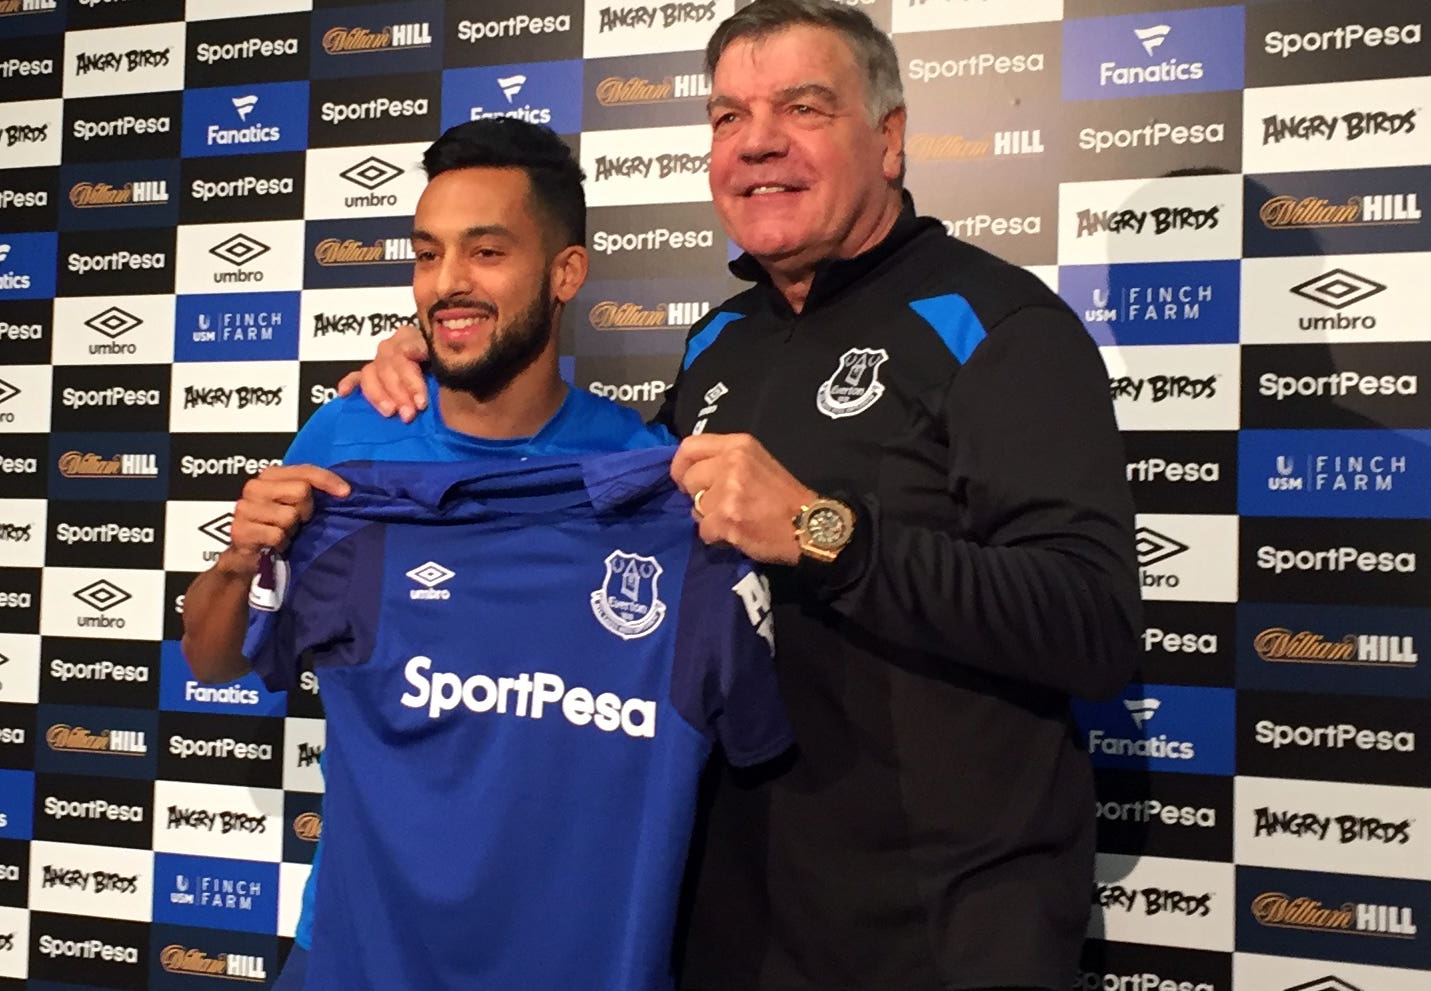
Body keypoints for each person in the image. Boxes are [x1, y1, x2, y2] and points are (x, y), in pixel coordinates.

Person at [344, 1, 1142, 989]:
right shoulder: (717, 340)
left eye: (803, 107)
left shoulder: (1001, 325)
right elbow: (593, 484)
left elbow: (1093, 626)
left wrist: (823, 532)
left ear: (887, 140)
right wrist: (444, 359)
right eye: (727, 117)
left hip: (941, 933)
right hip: (731, 920)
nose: (757, 141)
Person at [179, 118, 673, 989]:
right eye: (426, 253)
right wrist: (232, 563)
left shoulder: (634, 467)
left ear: (566, 272)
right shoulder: (349, 437)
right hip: (356, 956)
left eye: (485, 252)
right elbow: (212, 657)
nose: (447, 284)